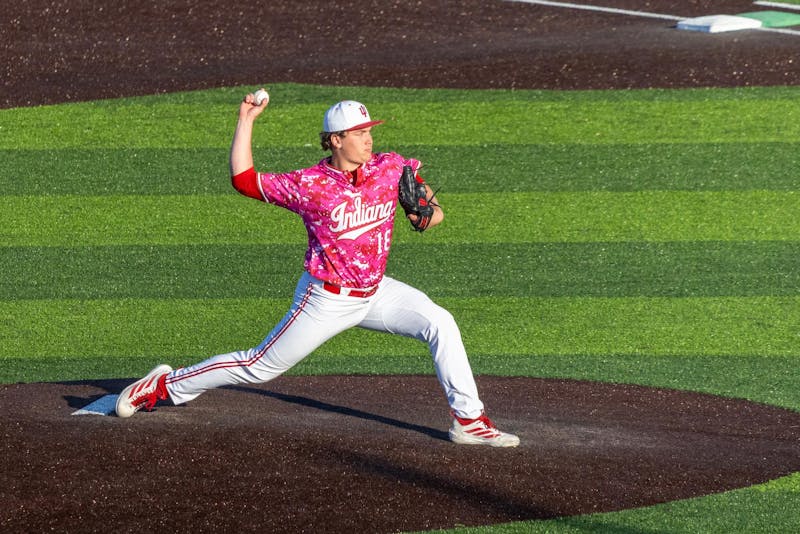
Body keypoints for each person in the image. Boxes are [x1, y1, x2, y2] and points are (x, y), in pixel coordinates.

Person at [115, 91, 519, 448]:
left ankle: (469, 420)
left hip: (376, 292)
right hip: (325, 298)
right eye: (360, 133)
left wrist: (424, 212)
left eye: (370, 130)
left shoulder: (390, 167)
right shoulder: (309, 184)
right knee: (258, 366)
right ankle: (164, 385)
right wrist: (246, 120)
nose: (369, 138)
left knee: (440, 322)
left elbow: (433, 213)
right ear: (337, 139)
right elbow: (244, 180)